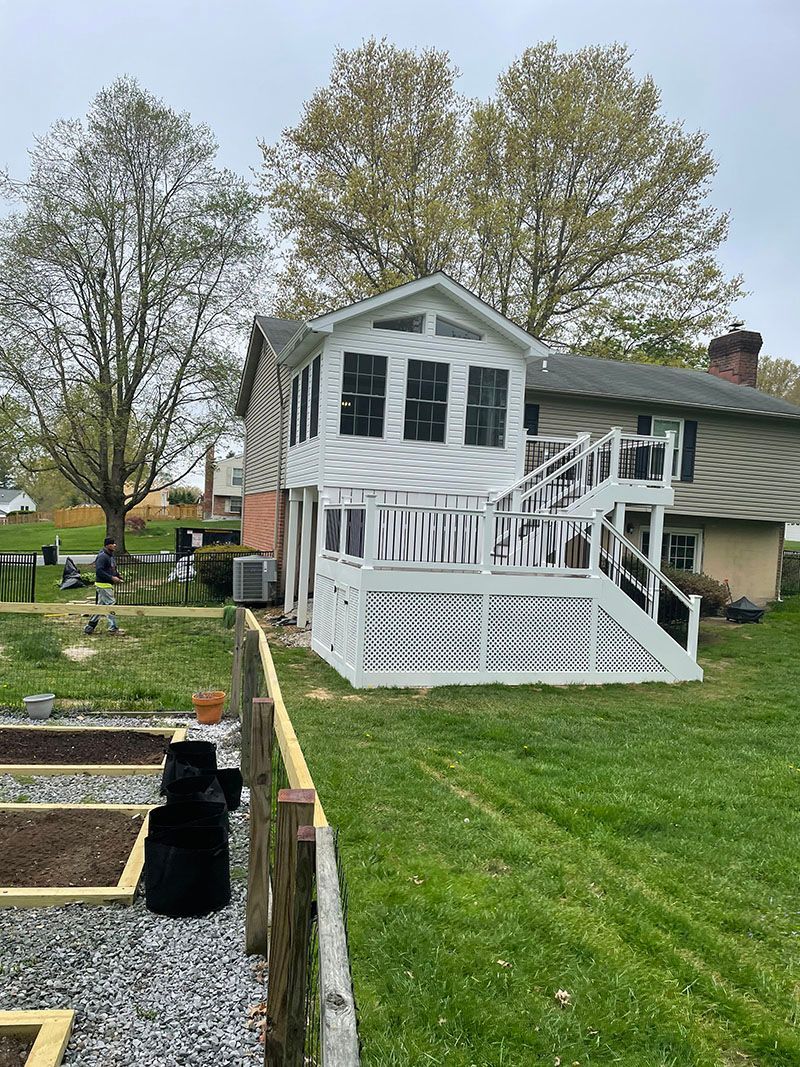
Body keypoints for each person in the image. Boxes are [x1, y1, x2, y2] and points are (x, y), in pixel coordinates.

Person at [84, 536, 124, 635]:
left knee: (100, 607)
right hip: (103, 585)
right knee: (111, 605)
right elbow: (99, 571)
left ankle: (90, 627)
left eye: (114, 543)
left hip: (107, 585)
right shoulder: (102, 556)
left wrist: (118, 575)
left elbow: (111, 569)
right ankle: (113, 629)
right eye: (112, 543)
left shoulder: (110, 556)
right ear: (107, 545)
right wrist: (112, 578)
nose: (114, 545)